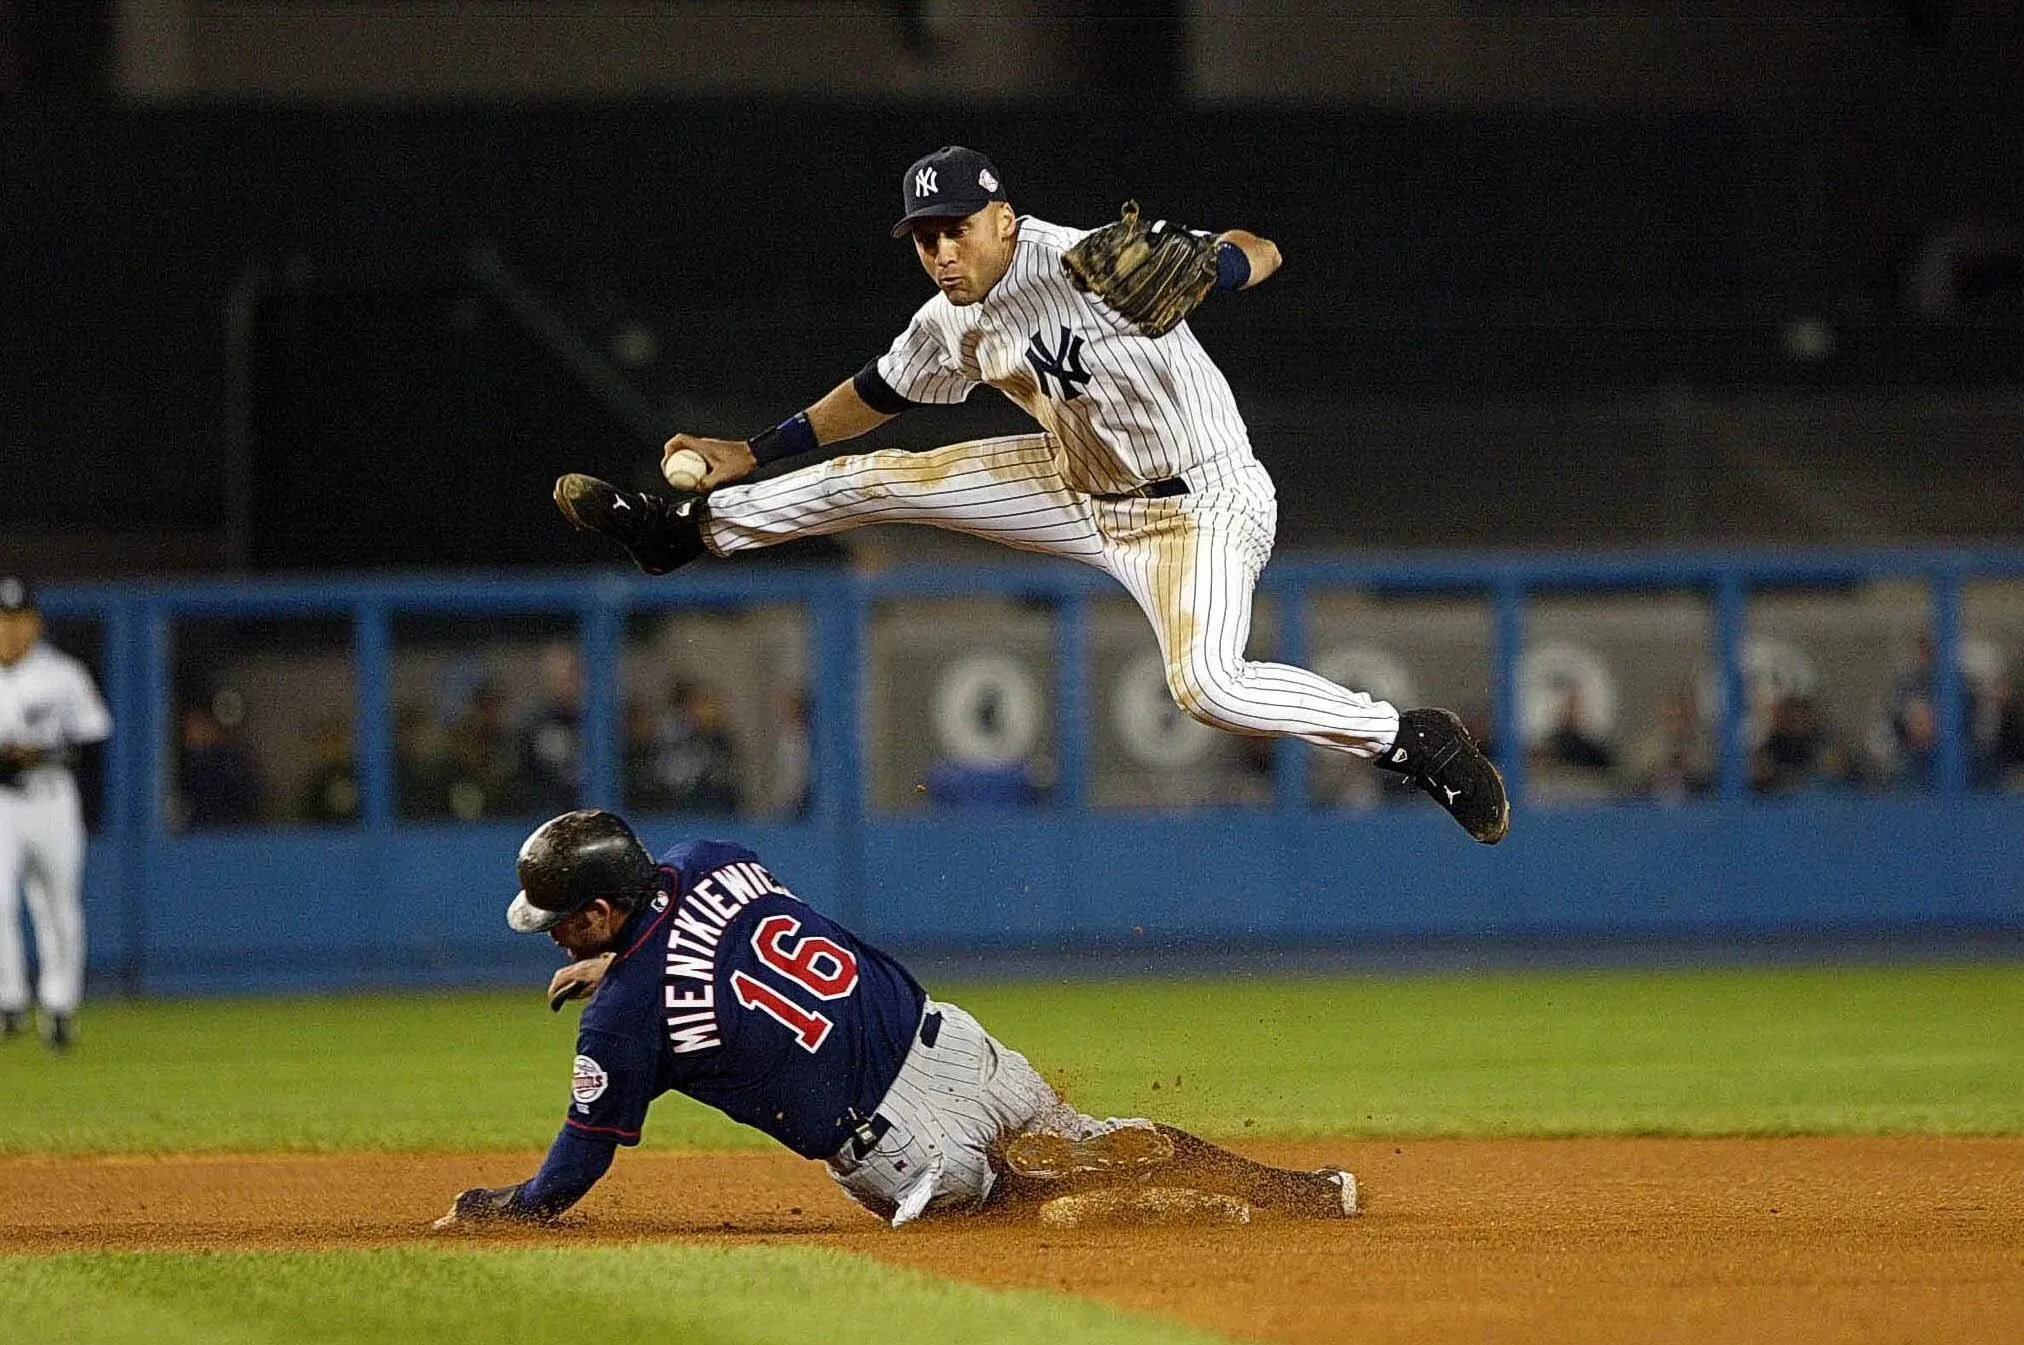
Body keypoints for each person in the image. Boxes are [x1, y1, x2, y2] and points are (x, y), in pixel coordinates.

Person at [552, 145, 1507, 845]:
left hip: (1200, 502)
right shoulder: (949, 318)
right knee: (881, 476)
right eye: (922, 237)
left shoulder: (1091, 261)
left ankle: (1410, 738)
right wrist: (746, 450)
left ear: (1003, 218)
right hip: (1074, 481)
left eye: (954, 230)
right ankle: (682, 531)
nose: (938, 251)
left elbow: (1261, 249)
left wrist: (1213, 266)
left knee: (1207, 684)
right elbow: (878, 397)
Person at [433, 809, 1359, 1230]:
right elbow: (714, 946)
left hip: (899, 1151)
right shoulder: (713, 856)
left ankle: (1066, 1200)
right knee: (1092, 1140)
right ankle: (1299, 1193)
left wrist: (508, 1208)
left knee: (1029, 1215)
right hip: (957, 1049)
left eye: (562, 922)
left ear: (599, 912)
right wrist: (622, 960)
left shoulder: (624, 1022)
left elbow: (578, 1161)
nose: (553, 936)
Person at [0, 575, 112, 1051]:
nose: (10, 630)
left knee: (59, 908)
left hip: (53, 801)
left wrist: (35, 756)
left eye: (18, 619)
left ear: (36, 623)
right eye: (2, 620)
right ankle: (9, 1002)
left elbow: (92, 742)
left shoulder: (64, 674)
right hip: (3, 805)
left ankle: (60, 1006)